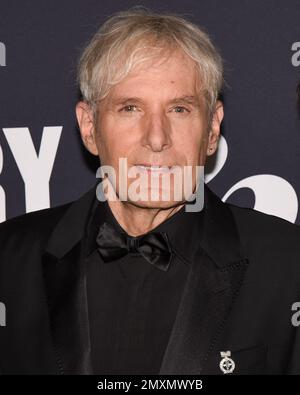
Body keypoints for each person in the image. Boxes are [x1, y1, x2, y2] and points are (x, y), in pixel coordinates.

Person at [1, 7, 300, 375]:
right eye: (130, 108)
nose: (157, 138)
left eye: (179, 109)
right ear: (89, 127)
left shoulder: (289, 265)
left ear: (212, 129)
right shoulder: (9, 261)